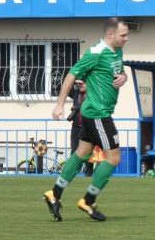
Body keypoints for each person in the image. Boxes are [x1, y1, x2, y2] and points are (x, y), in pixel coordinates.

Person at [43, 17, 129, 222]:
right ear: (110, 35)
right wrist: (59, 105)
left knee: (82, 153)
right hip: (98, 114)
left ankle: (54, 193)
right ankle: (88, 200)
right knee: (114, 157)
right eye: (123, 35)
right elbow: (72, 75)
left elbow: (118, 71)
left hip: (94, 112)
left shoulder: (117, 51)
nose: (126, 38)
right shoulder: (95, 53)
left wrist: (124, 76)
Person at [68, 79, 94, 177]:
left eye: (82, 83)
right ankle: (72, 170)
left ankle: (88, 171)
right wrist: (74, 77)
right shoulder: (76, 94)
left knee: (87, 150)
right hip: (76, 126)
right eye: (78, 84)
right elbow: (64, 87)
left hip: (87, 126)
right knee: (74, 149)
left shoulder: (93, 94)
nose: (80, 85)